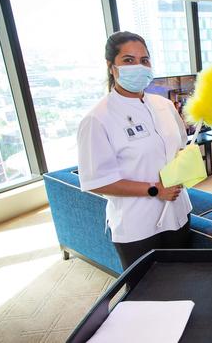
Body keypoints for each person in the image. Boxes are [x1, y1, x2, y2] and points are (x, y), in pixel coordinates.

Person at [77, 31, 192, 269]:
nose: (138, 66)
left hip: (179, 212)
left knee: (182, 281)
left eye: (144, 60)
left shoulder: (165, 105)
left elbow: (180, 147)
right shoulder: (97, 119)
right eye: (128, 60)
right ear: (111, 67)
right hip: (137, 227)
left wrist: (187, 164)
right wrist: (154, 190)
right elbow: (96, 181)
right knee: (146, 295)